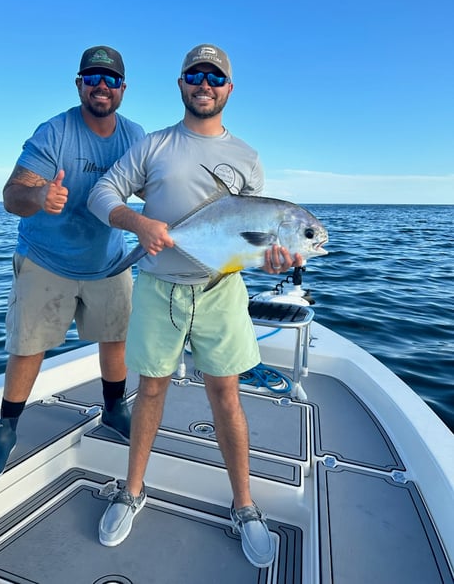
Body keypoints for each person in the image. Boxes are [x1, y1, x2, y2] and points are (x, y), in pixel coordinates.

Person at [87, 43, 303, 568]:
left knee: (227, 396)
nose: (204, 84)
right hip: (159, 285)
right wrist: (140, 224)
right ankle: (131, 490)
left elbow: (240, 239)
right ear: (181, 83)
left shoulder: (248, 158)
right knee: (152, 388)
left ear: (229, 88)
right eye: (194, 74)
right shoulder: (156, 145)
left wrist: (267, 261)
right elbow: (101, 194)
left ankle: (245, 505)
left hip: (220, 291)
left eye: (215, 77)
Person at [0, 45, 145, 483]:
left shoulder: (135, 136)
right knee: (28, 346)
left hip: (108, 260)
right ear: (79, 85)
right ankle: (5, 427)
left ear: (123, 88)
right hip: (47, 260)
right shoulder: (54, 133)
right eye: (92, 78)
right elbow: (12, 195)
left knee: (115, 339)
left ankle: (113, 410)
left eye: (110, 80)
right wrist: (39, 196)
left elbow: (159, 190)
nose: (101, 86)